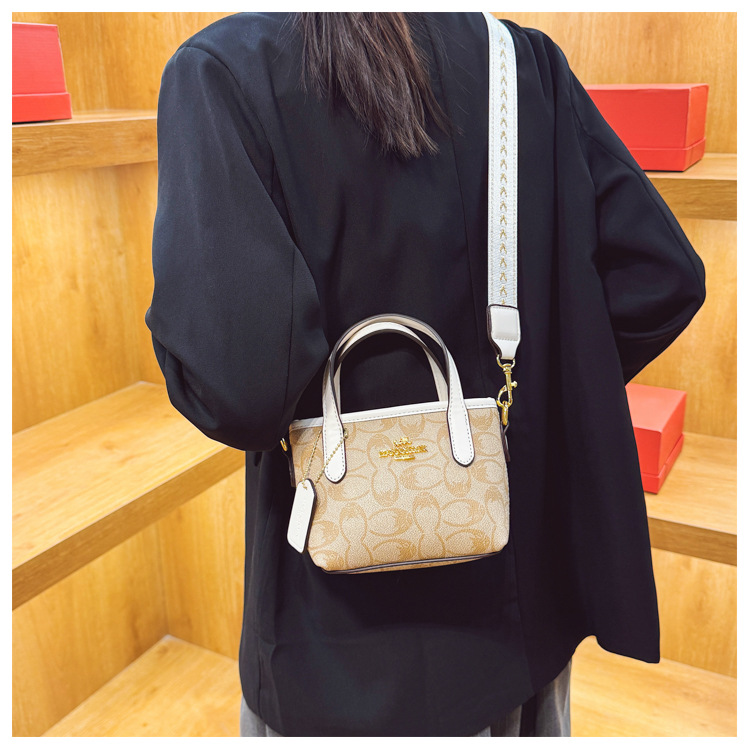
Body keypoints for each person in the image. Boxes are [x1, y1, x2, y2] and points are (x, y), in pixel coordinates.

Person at [145, 12, 706, 737]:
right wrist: (523, 391)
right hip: (517, 614)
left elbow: (239, 388)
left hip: (334, 647)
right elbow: (661, 276)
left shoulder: (222, 69)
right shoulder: (519, 60)